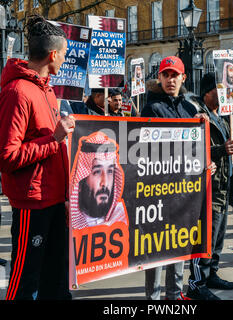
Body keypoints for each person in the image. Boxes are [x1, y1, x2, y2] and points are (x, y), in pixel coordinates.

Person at [0, 15, 75, 300]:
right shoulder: (17, 92)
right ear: (53, 54)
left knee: (55, 280)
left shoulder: (47, 90)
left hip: (55, 199)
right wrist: (54, 138)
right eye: (65, 54)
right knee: (25, 284)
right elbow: (7, 157)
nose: (65, 59)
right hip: (32, 204)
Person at [187, 72, 233, 300]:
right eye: (219, 90)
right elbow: (193, 152)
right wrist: (220, 151)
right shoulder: (199, 116)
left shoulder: (223, 118)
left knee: (217, 238)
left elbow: (230, 153)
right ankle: (196, 284)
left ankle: (212, 274)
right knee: (204, 239)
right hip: (208, 188)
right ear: (208, 92)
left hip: (224, 189)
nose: (225, 94)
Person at [141, 56, 199, 300]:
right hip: (157, 191)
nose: (170, 79)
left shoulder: (189, 109)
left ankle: (174, 295)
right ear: (160, 78)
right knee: (155, 248)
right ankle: (152, 299)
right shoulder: (151, 107)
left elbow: (195, 147)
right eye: (166, 75)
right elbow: (140, 149)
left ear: (183, 78)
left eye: (175, 75)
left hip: (183, 191)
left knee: (178, 243)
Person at [70, 131, 128, 229]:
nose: (104, 183)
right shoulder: (67, 224)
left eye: (110, 171)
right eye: (97, 172)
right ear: (80, 182)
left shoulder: (120, 217)